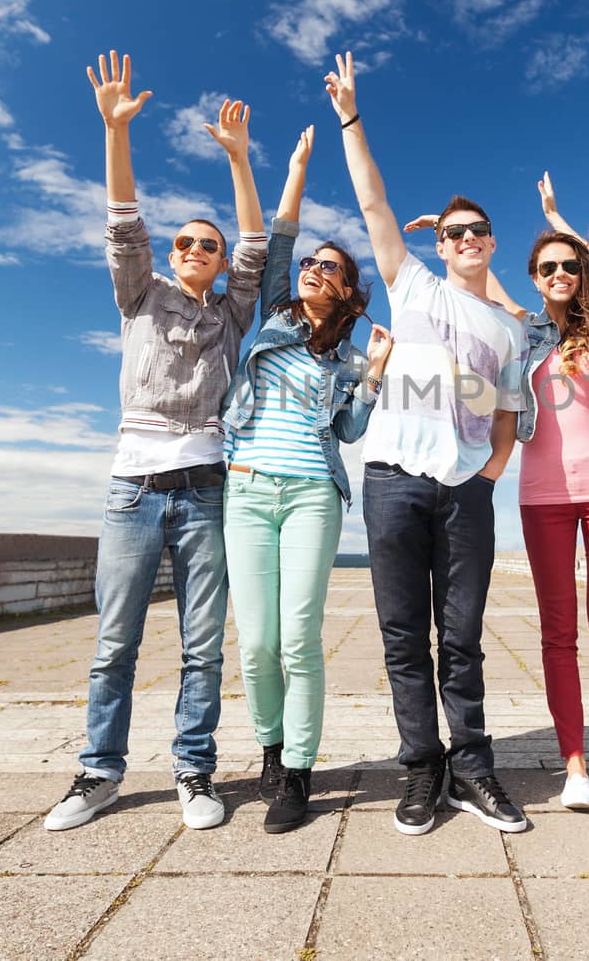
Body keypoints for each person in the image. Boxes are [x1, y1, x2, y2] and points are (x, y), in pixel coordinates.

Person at [46, 52, 266, 833]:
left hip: (207, 486)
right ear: (172, 255)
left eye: (207, 245)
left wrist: (239, 160)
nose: (199, 251)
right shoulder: (140, 293)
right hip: (132, 491)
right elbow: (123, 222)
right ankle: (98, 772)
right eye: (188, 243)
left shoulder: (232, 315)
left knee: (202, 645)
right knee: (115, 643)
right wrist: (113, 132)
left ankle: (194, 771)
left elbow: (254, 243)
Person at [324, 50, 530, 836]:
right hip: (392, 480)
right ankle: (421, 768)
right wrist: (351, 114)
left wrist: (491, 469)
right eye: (455, 231)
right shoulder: (411, 281)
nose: (467, 238)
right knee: (403, 635)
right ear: (438, 243)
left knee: (465, 636)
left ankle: (473, 770)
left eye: (478, 230)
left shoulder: (507, 326)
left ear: (489, 242)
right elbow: (372, 200)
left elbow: (506, 411)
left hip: (464, 488)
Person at [404, 176, 589, 813]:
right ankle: (573, 764)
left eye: (569, 265)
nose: (561, 273)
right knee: (558, 631)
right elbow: (477, 282)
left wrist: (558, 220)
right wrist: (449, 235)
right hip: (541, 496)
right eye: (548, 268)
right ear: (535, 279)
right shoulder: (526, 332)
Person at [221, 123, 394, 835]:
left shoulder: (348, 358)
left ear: (349, 290)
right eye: (313, 263)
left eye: (332, 267)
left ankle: (298, 770)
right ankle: (269, 747)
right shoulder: (273, 319)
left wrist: (375, 377)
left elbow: (349, 433)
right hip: (248, 488)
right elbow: (277, 238)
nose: (316, 268)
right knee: (255, 640)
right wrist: (294, 164)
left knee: (298, 635)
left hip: (313, 497)